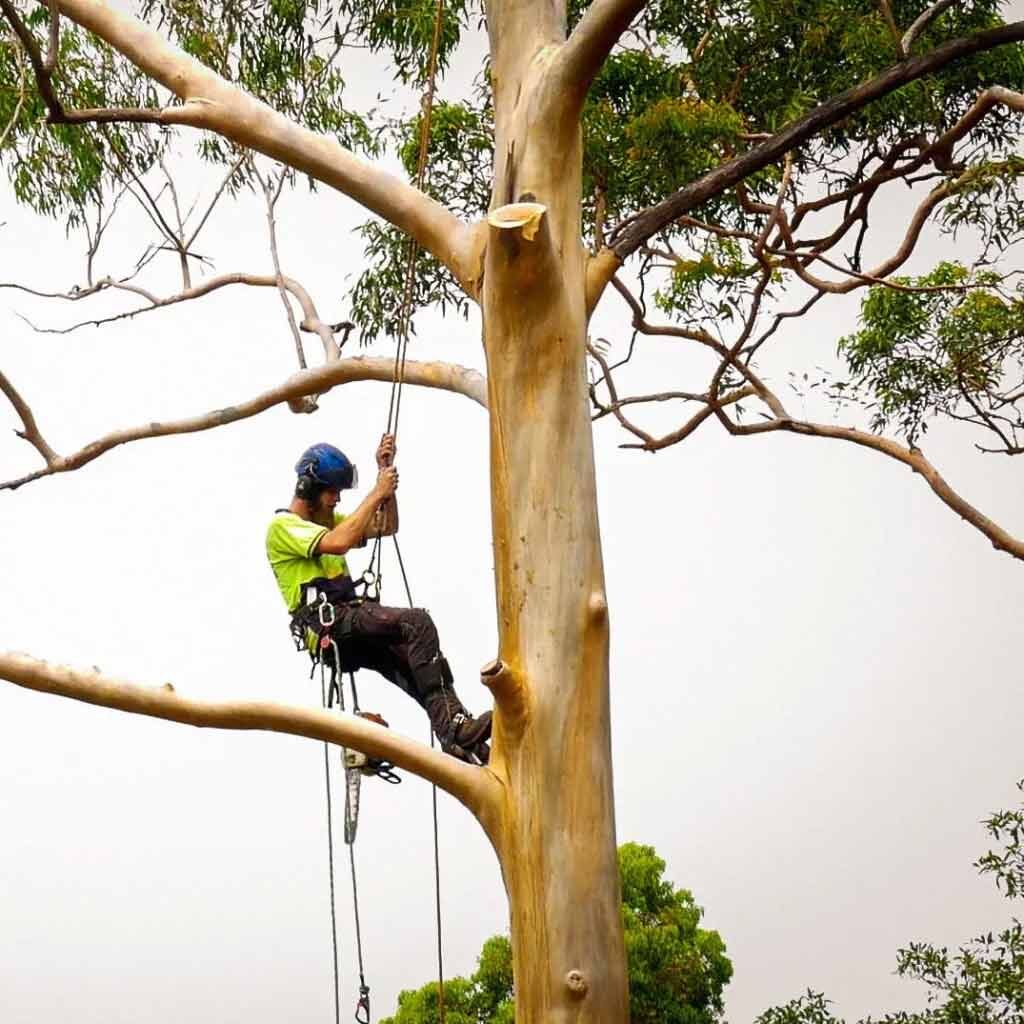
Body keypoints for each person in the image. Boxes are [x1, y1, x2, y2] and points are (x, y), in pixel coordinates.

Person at [265, 435, 492, 765]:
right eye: (332, 492)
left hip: (350, 624)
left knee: (417, 665)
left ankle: (455, 733)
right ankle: (454, 730)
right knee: (417, 623)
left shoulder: (329, 522)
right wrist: (376, 492)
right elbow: (340, 542)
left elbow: (386, 525)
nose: (337, 500)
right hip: (332, 626)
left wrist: (384, 474)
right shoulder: (284, 526)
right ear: (307, 489)